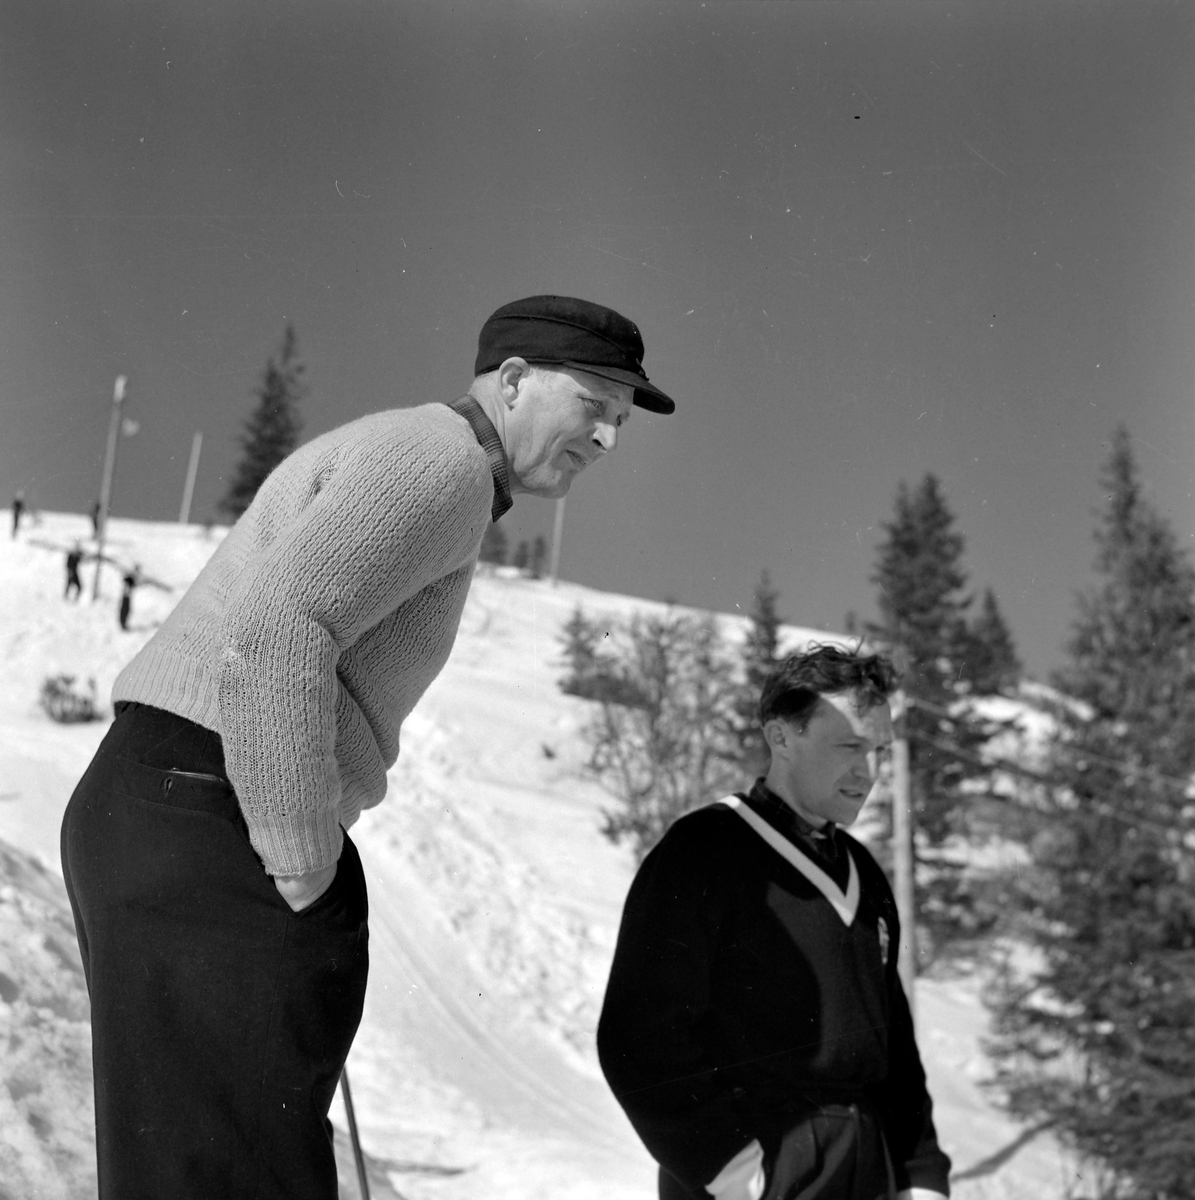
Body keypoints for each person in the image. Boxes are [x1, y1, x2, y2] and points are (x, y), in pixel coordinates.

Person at [60, 295, 676, 1200]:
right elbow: (278, 631)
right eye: (595, 406)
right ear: (512, 382)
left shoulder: (429, 458)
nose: (607, 439)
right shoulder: (445, 465)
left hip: (169, 803)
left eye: (620, 423)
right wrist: (304, 861)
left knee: (187, 1166)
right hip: (211, 813)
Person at [597, 645, 951, 1200]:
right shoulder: (706, 850)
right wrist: (735, 1171)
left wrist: (921, 1178)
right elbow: (639, 1039)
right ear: (781, 736)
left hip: (866, 1168)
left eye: (881, 750)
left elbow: (895, 1053)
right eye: (850, 746)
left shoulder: (866, 875)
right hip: (760, 1169)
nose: (872, 772)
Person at [117, 564, 139, 629]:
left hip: (127, 597)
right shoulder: (130, 578)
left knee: (127, 610)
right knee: (125, 610)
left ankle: (124, 623)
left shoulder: (131, 579)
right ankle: (123, 623)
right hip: (126, 597)